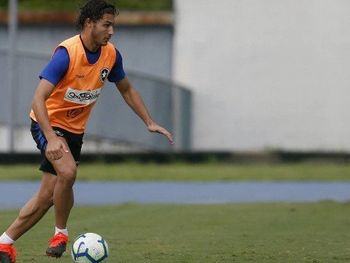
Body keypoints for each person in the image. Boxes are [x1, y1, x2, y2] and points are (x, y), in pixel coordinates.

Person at [0, 1, 173, 262]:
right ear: (89, 23)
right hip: (48, 123)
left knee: (47, 196)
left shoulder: (111, 55)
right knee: (68, 172)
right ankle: (60, 234)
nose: (111, 31)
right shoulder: (67, 54)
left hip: (74, 131)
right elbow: (38, 99)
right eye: (107, 24)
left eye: (112, 25)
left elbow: (126, 89)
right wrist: (50, 139)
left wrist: (148, 121)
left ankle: (4, 244)